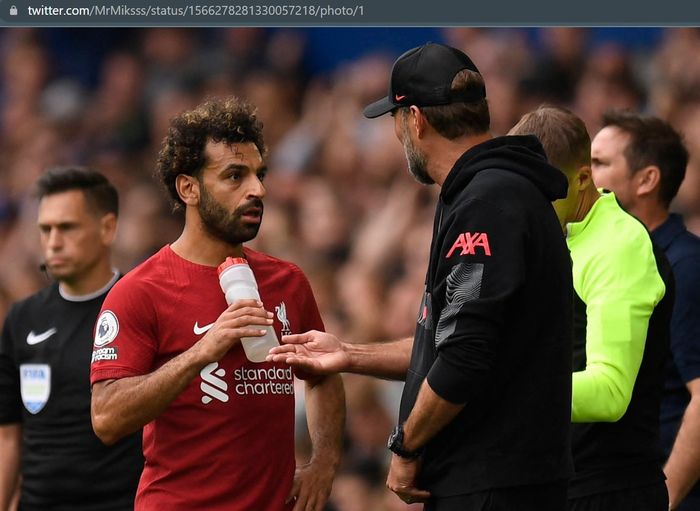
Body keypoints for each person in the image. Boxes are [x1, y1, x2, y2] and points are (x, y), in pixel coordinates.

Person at [270, 42, 574, 511]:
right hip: (503, 479)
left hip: (492, 484)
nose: (396, 136)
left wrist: (406, 446)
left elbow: (465, 357)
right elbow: (449, 341)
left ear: (415, 119)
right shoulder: (489, 192)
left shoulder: (487, 202)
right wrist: (348, 353)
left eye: (393, 122)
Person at [89, 97, 345, 511]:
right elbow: (106, 418)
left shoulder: (288, 281)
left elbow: (322, 376)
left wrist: (324, 463)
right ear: (189, 188)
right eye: (234, 176)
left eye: (259, 175)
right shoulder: (140, 290)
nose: (258, 189)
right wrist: (201, 353)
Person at [509, 105, 674, 511]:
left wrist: (502, 394)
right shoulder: (550, 234)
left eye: (542, 190)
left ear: (583, 179)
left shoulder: (620, 245)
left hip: (608, 492)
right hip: (553, 483)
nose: (527, 204)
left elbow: (609, 393)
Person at [0, 167, 143, 510]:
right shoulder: (23, 318)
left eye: (67, 227)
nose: (52, 242)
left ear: (107, 228)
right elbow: (8, 437)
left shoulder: (139, 307)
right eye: (45, 229)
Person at [590, 110, 700, 511]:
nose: (584, 175)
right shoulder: (612, 259)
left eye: (599, 163)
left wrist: (664, 499)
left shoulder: (684, 266)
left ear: (647, 179)